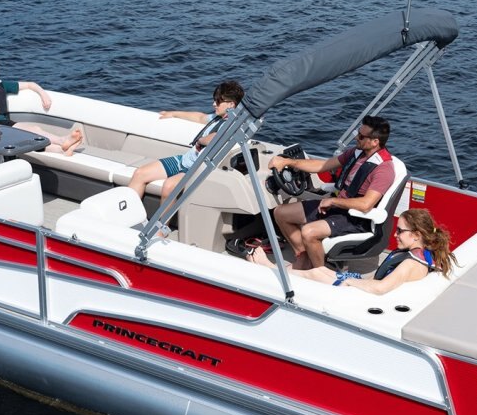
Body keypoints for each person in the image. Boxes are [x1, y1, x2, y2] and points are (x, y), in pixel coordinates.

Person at [266, 115, 399, 269]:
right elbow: (323, 165)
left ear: (375, 142)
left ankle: (319, 272)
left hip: (354, 217)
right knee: (281, 213)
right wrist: (288, 162)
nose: (357, 138)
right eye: (357, 133)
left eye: (362, 136)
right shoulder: (357, 153)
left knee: (309, 232)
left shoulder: (384, 169)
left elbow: (366, 204)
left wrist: (333, 201)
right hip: (336, 207)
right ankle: (303, 255)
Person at [247, 209, 456, 295]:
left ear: (417, 235)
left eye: (400, 231)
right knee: (322, 270)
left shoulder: (410, 264)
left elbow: (380, 288)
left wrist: (349, 281)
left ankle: (270, 269)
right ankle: (275, 269)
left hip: (361, 296)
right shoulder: (423, 253)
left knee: (315, 273)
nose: (395, 234)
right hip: (363, 285)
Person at [127, 80, 245, 200]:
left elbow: (217, 137)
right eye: (214, 100)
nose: (214, 104)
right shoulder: (217, 118)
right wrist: (173, 114)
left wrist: (200, 141)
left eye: (218, 101)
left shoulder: (233, 124)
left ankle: (162, 214)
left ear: (231, 104)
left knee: (169, 186)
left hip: (194, 170)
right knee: (140, 173)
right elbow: (200, 117)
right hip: (184, 161)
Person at [0, 52, 83, 154]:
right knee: (33, 130)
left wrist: (43, 94)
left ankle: (61, 150)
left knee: (29, 137)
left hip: (3, 125)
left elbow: (30, 85)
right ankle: (62, 140)